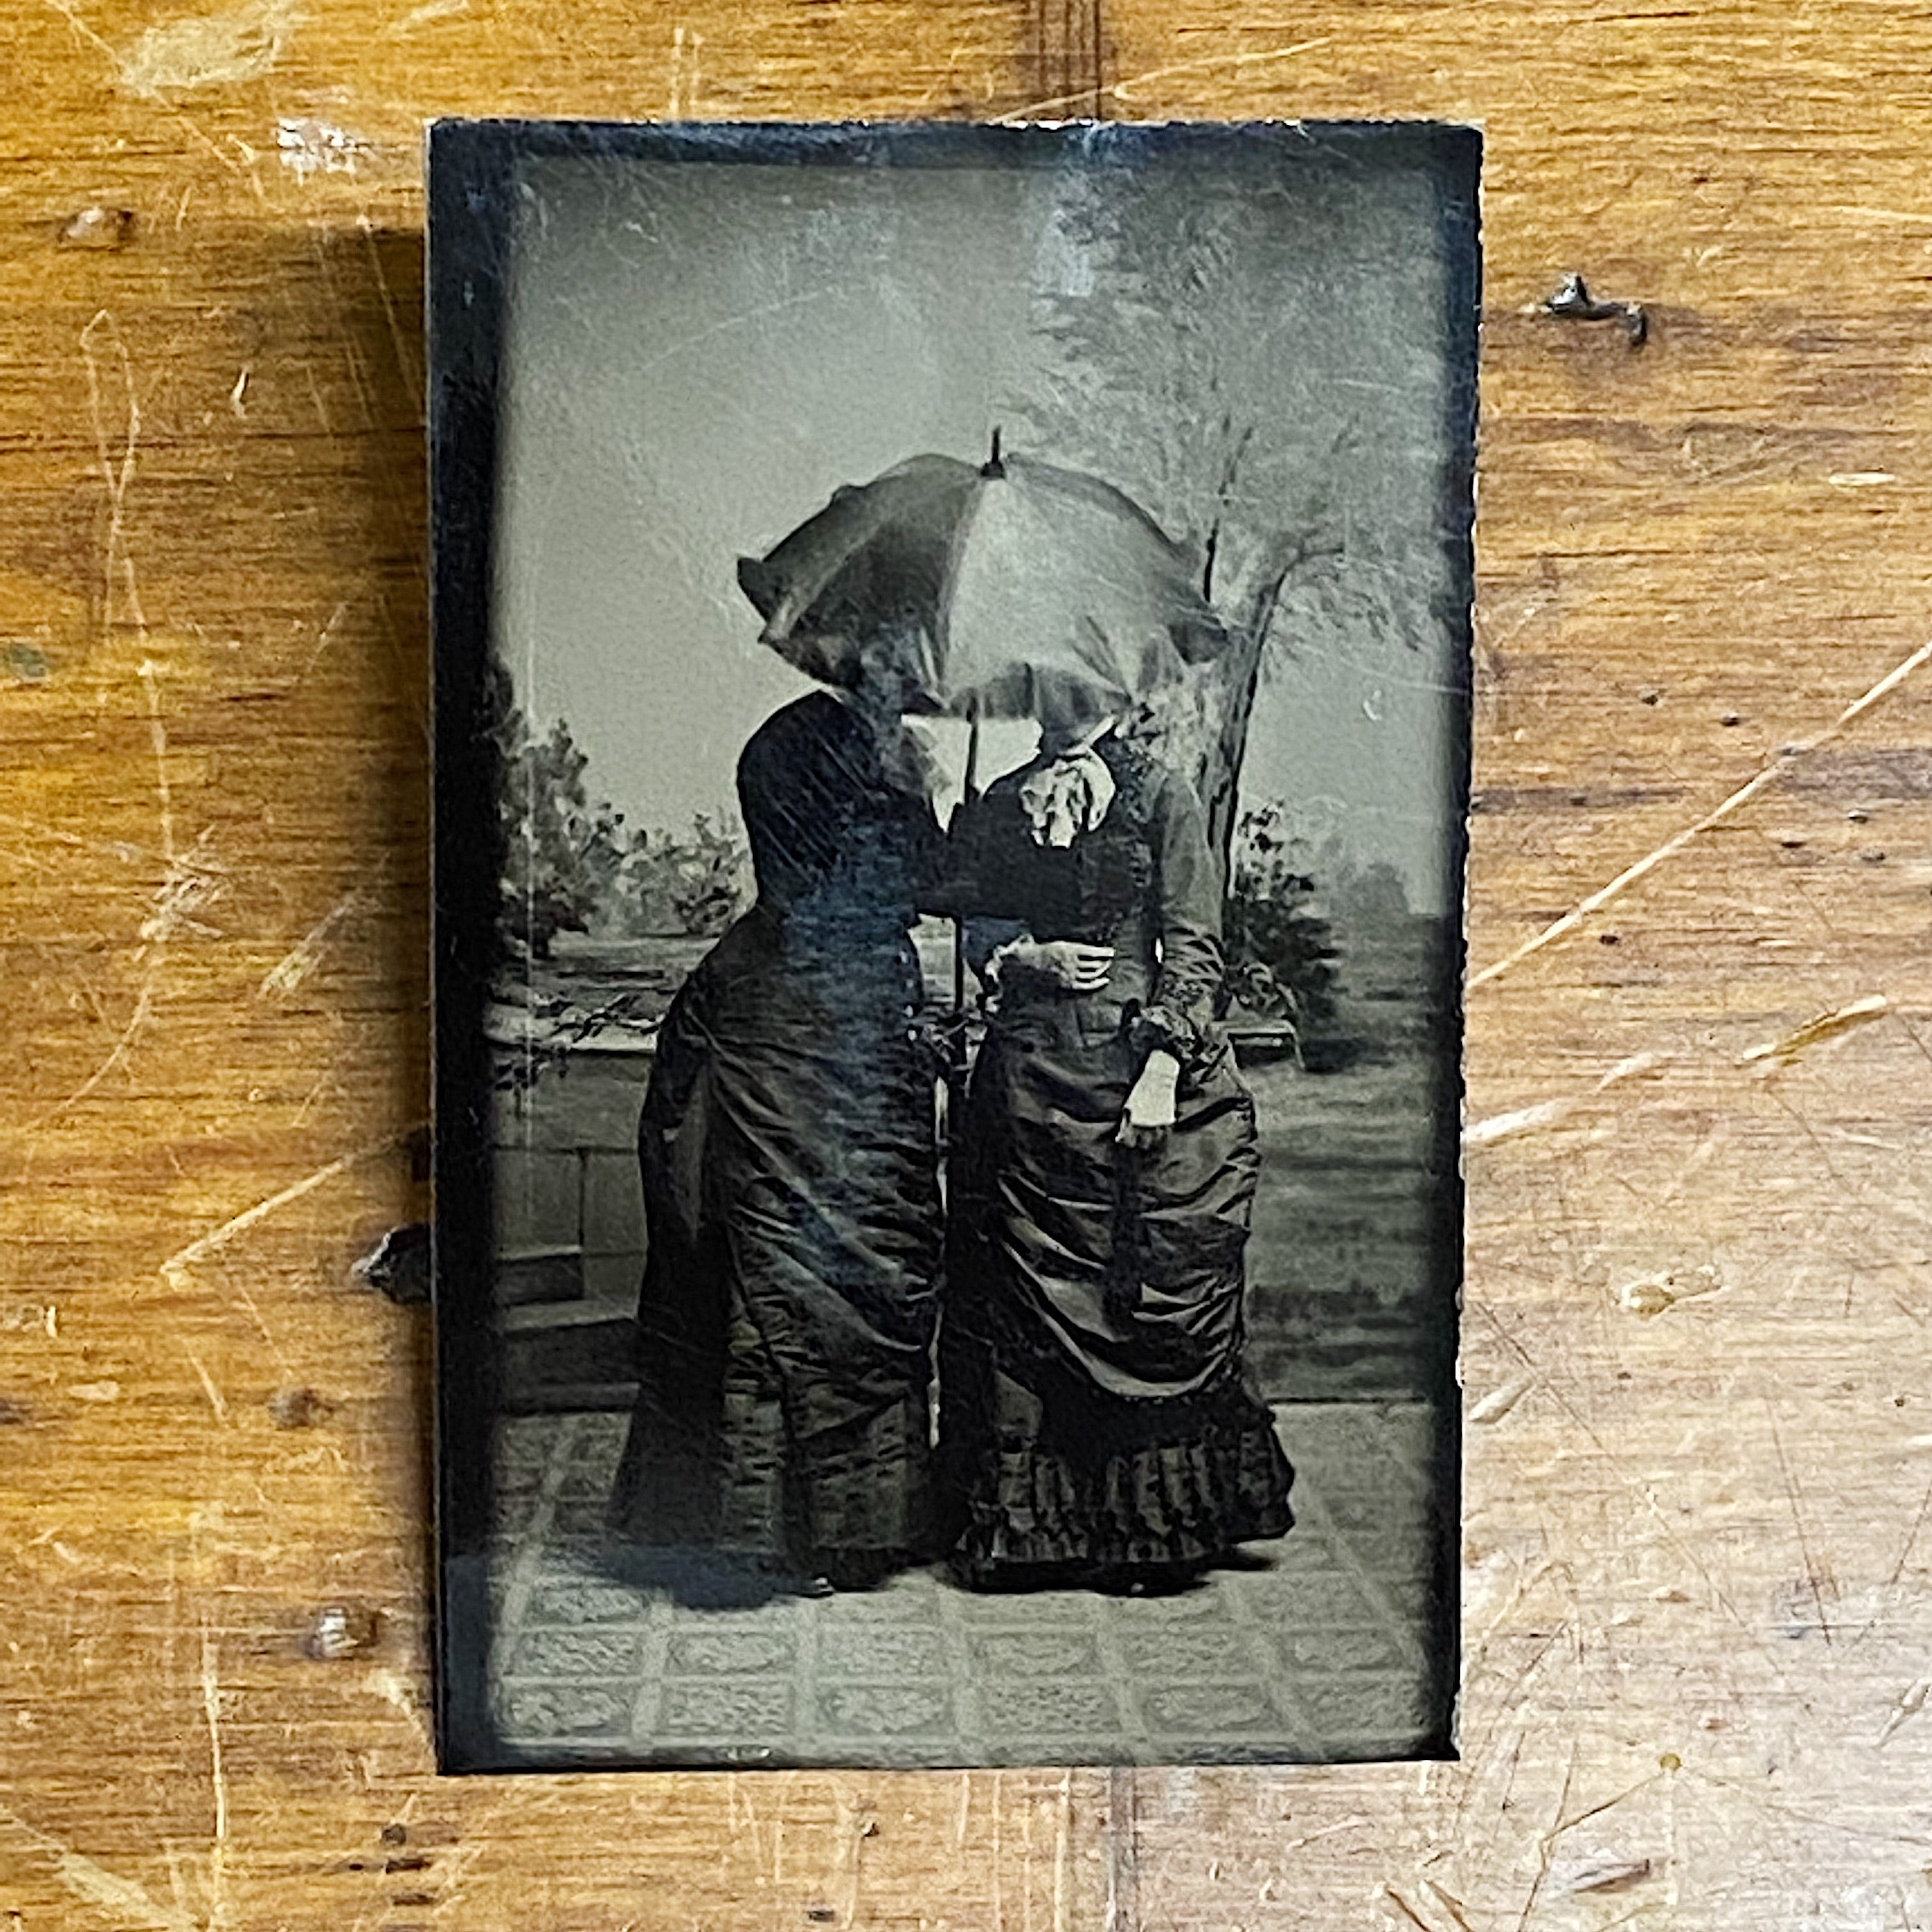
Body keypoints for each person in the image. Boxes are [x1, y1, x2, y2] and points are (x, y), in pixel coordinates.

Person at [939, 681, 1294, 1593]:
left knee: (1128, 1295)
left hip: (1128, 1074)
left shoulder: (1161, 794)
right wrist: (1016, 955)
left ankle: (1144, 1533)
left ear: (1109, 684)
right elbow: (973, 913)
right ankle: (1034, 1532)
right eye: (1040, 677)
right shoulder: (1001, 797)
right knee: (1019, 1302)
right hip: (1024, 1081)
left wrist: (1166, 1069)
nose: (1054, 694)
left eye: (1073, 676)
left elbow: (1195, 943)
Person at [608, 679, 945, 1593]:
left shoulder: (781, 737)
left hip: (756, 980)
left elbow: (798, 877)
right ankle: (832, 1535)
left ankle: (734, 1522)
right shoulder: (885, 758)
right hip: (841, 999)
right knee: (829, 1245)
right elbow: (922, 884)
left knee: (772, 1240)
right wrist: (931, 798)